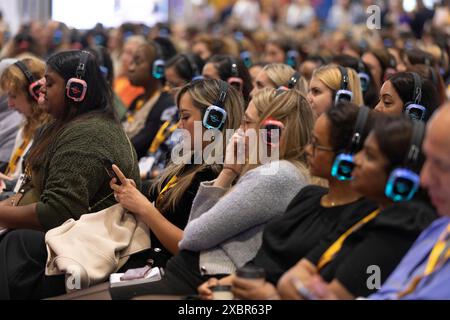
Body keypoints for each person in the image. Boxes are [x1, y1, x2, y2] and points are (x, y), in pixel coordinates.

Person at [0, 79, 245, 300]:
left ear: (215, 120)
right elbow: (156, 195)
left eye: (185, 117)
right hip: (133, 247)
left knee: (26, 253)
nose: (178, 125)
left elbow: (190, 247)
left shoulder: (216, 178)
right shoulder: (190, 162)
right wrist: (128, 190)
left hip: (153, 262)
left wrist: (143, 208)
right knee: (18, 241)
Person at [77, 87, 314, 300]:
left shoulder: (274, 175)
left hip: (196, 276)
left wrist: (145, 208)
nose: (239, 131)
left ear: (271, 132)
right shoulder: (253, 169)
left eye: (247, 123)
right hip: (187, 269)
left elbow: (193, 235)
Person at [198, 102, 378, 300]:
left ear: (346, 158)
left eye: (317, 144)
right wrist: (220, 286)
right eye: (310, 140)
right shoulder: (308, 196)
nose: (308, 149)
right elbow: (260, 263)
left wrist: (271, 296)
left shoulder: (361, 217)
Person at [277, 115, 437, 299]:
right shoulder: (368, 209)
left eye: (369, 155)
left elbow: (336, 294)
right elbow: (291, 278)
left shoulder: (405, 222)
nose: (355, 160)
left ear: (401, 180)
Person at [0, 50, 140, 232]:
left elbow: (56, 214)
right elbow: (29, 188)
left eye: (49, 83)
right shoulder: (58, 126)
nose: (42, 89)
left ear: (76, 91)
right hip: (65, 234)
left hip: (85, 242)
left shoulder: (89, 136)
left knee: (19, 241)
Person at [0, 57, 51, 195]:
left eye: (14, 96)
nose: (10, 104)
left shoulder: (49, 132)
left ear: (35, 93)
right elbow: (19, 179)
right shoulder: (25, 127)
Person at [123, 41, 177, 159]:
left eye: (137, 61)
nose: (130, 68)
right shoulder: (138, 100)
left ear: (158, 68)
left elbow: (140, 145)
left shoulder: (166, 104)